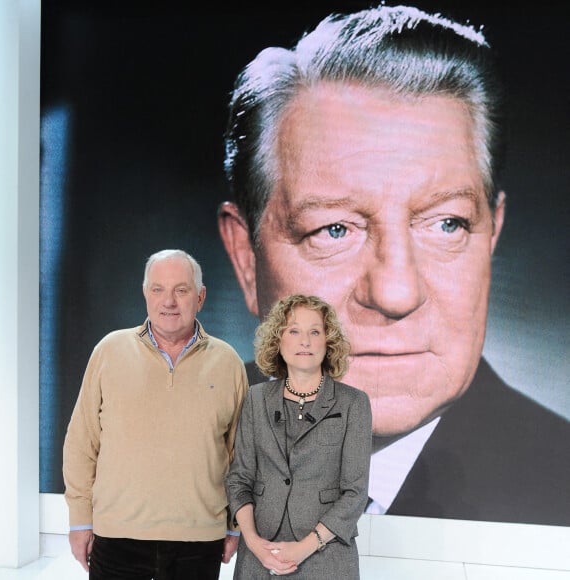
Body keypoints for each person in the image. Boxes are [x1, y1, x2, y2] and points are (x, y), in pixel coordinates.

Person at [217, 5, 570, 526]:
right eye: (333, 230)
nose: (396, 292)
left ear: (490, 234)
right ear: (247, 259)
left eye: (446, 224)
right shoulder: (162, 452)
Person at [62, 249, 249, 579]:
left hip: (199, 540)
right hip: (117, 536)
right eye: (158, 289)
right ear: (145, 294)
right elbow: (81, 442)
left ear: (201, 297)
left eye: (181, 289)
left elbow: (241, 456)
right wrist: (80, 520)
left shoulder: (228, 362)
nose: (169, 302)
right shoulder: (109, 351)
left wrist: (233, 525)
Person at [226, 294, 371, 579]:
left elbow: (355, 493)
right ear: (277, 342)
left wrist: (304, 548)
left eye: (314, 332)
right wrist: (254, 543)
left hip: (326, 558)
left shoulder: (354, 403)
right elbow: (239, 478)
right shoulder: (255, 398)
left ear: (328, 342)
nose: (304, 341)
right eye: (294, 331)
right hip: (260, 558)